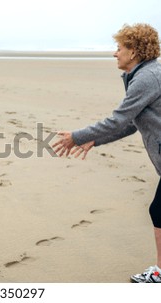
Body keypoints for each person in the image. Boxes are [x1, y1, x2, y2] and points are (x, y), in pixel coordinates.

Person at [53, 23, 161, 283]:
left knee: (159, 211)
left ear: (133, 51)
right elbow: (131, 124)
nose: (115, 53)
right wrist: (96, 141)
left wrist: (78, 136)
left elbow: (117, 120)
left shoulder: (147, 78)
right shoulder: (146, 74)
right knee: (159, 211)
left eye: (119, 48)